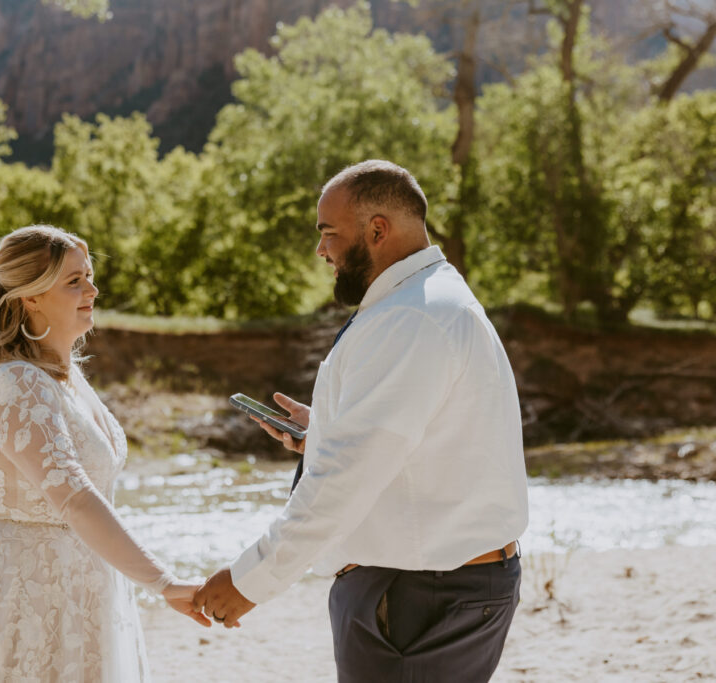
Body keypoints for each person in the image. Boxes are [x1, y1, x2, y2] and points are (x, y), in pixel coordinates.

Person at [193, 160, 529, 682]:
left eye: (329, 233)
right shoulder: (426, 299)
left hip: (419, 593)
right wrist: (327, 429)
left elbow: (346, 476)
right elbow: (417, 440)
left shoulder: (411, 317)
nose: (320, 250)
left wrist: (249, 580)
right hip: (432, 583)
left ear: (377, 229)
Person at [0, 225, 209, 683]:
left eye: (89, 276)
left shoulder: (67, 379)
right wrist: (163, 581)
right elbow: (76, 498)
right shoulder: (16, 382)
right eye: (74, 281)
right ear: (31, 298)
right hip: (28, 591)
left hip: (85, 583)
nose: (92, 290)